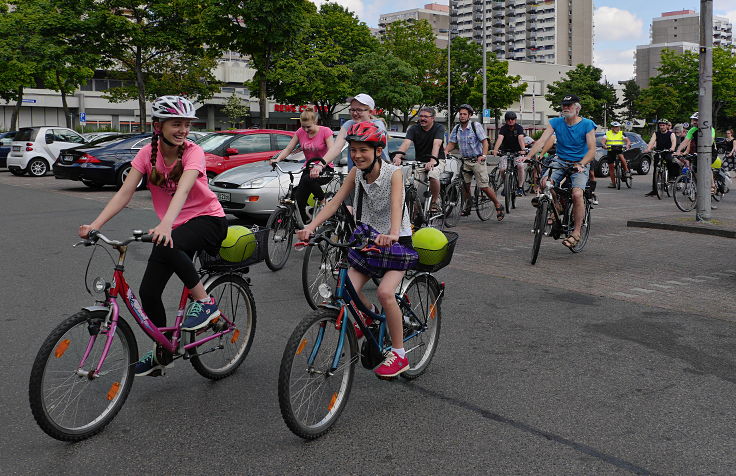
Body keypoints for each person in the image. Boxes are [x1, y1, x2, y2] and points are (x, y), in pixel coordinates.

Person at [79, 96, 228, 376]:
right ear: (157, 125)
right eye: (176, 124)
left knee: (169, 241)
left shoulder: (192, 152)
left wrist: (166, 225)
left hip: (208, 220)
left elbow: (183, 189)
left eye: (186, 124)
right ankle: (164, 351)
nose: (183, 130)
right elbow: (125, 193)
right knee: (148, 293)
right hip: (173, 228)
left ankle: (206, 304)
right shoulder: (147, 155)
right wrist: (95, 224)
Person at [297, 121, 415, 378]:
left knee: (385, 293)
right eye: (353, 150)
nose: (357, 155)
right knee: (347, 291)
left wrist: (393, 233)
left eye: (363, 150)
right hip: (368, 240)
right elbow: (334, 203)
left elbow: (396, 203)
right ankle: (371, 316)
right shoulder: (356, 174)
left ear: (377, 151)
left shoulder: (394, 173)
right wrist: (311, 227)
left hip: (396, 242)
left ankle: (399, 354)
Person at [526, 94, 596, 249]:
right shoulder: (556, 122)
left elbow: (592, 151)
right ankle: (556, 205)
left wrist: (581, 163)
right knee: (545, 183)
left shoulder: (587, 124)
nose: (566, 108)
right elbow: (542, 141)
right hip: (561, 160)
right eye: (564, 105)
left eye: (569, 105)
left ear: (577, 108)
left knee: (577, 194)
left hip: (580, 163)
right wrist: (528, 156)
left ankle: (576, 232)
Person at [271, 106, 334, 224]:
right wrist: (277, 159)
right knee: (298, 200)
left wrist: (320, 165)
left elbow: (332, 150)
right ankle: (304, 226)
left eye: (308, 127)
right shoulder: (300, 132)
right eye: (303, 126)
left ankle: (323, 200)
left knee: (308, 179)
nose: (305, 130)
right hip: (308, 168)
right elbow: (289, 148)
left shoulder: (325, 131)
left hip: (325, 167)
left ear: (315, 122)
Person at [444, 104, 504, 220]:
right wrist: (446, 151)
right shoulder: (457, 128)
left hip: (477, 160)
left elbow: (485, 142)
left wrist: (483, 155)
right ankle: (468, 204)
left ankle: (497, 204)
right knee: (465, 185)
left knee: (483, 186)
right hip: (465, 161)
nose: (462, 116)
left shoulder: (475, 126)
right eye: (460, 114)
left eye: (464, 114)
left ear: (470, 115)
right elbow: (452, 143)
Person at [321, 93, 390, 174]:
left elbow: (380, 153)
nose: (354, 113)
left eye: (359, 110)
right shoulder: (349, 124)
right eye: (352, 110)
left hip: (378, 172)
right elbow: (336, 147)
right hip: (355, 172)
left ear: (370, 112)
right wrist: (320, 164)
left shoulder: (377, 125)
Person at [395, 107, 446, 212]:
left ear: (433, 118)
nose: (422, 119)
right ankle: (415, 210)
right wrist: (398, 156)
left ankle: (435, 202)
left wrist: (432, 160)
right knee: (410, 183)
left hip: (437, 160)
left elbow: (437, 144)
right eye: (421, 116)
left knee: (433, 175)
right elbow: (406, 143)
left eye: (425, 117)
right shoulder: (414, 129)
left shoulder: (439, 128)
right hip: (420, 162)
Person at [492, 111, 527, 197]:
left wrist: (523, 150)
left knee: (520, 166)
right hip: (505, 152)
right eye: (508, 119)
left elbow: (520, 138)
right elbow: (500, 138)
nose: (510, 121)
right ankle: (506, 184)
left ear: (515, 120)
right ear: (506, 120)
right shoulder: (503, 128)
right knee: (502, 169)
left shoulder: (519, 128)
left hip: (517, 152)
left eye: (512, 119)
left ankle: (520, 187)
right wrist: (495, 150)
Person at [644, 119, 677, 197]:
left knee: (669, 160)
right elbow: (652, 142)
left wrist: (672, 148)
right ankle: (655, 190)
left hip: (667, 151)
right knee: (656, 169)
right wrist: (648, 148)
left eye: (663, 125)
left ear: (666, 126)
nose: (661, 127)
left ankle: (671, 176)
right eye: (660, 125)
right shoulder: (656, 133)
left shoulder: (671, 134)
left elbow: (674, 142)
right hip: (659, 152)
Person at [600, 121, 631, 188]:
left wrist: (628, 144)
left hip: (619, 150)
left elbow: (627, 140)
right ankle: (613, 183)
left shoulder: (621, 133)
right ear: (612, 128)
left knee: (622, 157)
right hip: (611, 151)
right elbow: (603, 140)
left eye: (618, 126)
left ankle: (626, 171)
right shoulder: (607, 133)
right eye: (616, 127)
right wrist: (603, 144)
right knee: (611, 167)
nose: (618, 128)